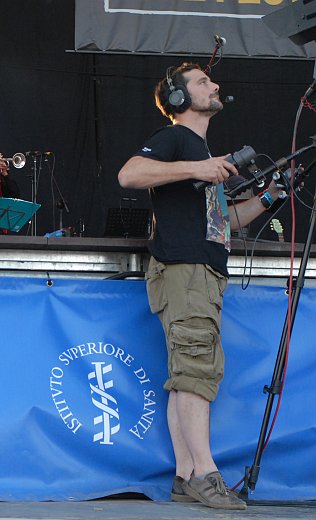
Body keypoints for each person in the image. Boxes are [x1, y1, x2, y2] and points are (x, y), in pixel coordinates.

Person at [118, 63, 281, 510]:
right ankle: (208, 475)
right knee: (195, 373)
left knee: (186, 377)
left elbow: (223, 223)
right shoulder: (177, 140)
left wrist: (267, 199)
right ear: (177, 98)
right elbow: (129, 174)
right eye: (203, 82)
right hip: (185, 271)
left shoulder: (201, 154)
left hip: (201, 272)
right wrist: (199, 166)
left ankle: (186, 475)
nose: (215, 86)